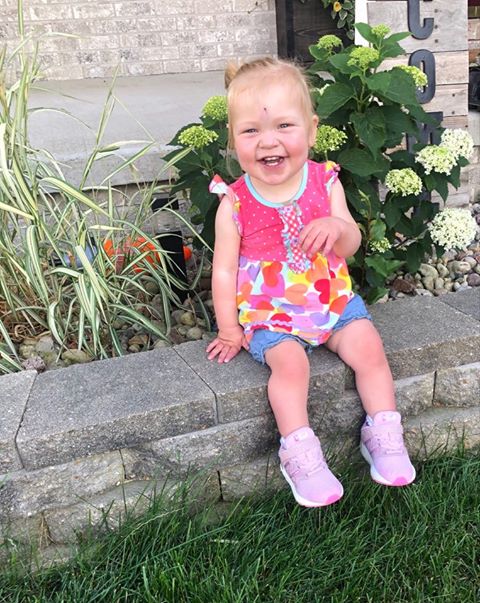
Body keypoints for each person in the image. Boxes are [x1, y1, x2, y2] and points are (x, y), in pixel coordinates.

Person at [206, 57, 415, 508]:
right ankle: (300, 453)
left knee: (370, 350)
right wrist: (229, 328)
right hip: (272, 314)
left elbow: (352, 243)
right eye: (251, 131)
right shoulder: (235, 202)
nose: (269, 141)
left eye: (284, 125)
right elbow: (223, 269)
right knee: (291, 368)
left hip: (331, 301)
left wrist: (338, 228)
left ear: (312, 129)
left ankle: (383, 431)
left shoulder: (325, 181)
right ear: (233, 140)